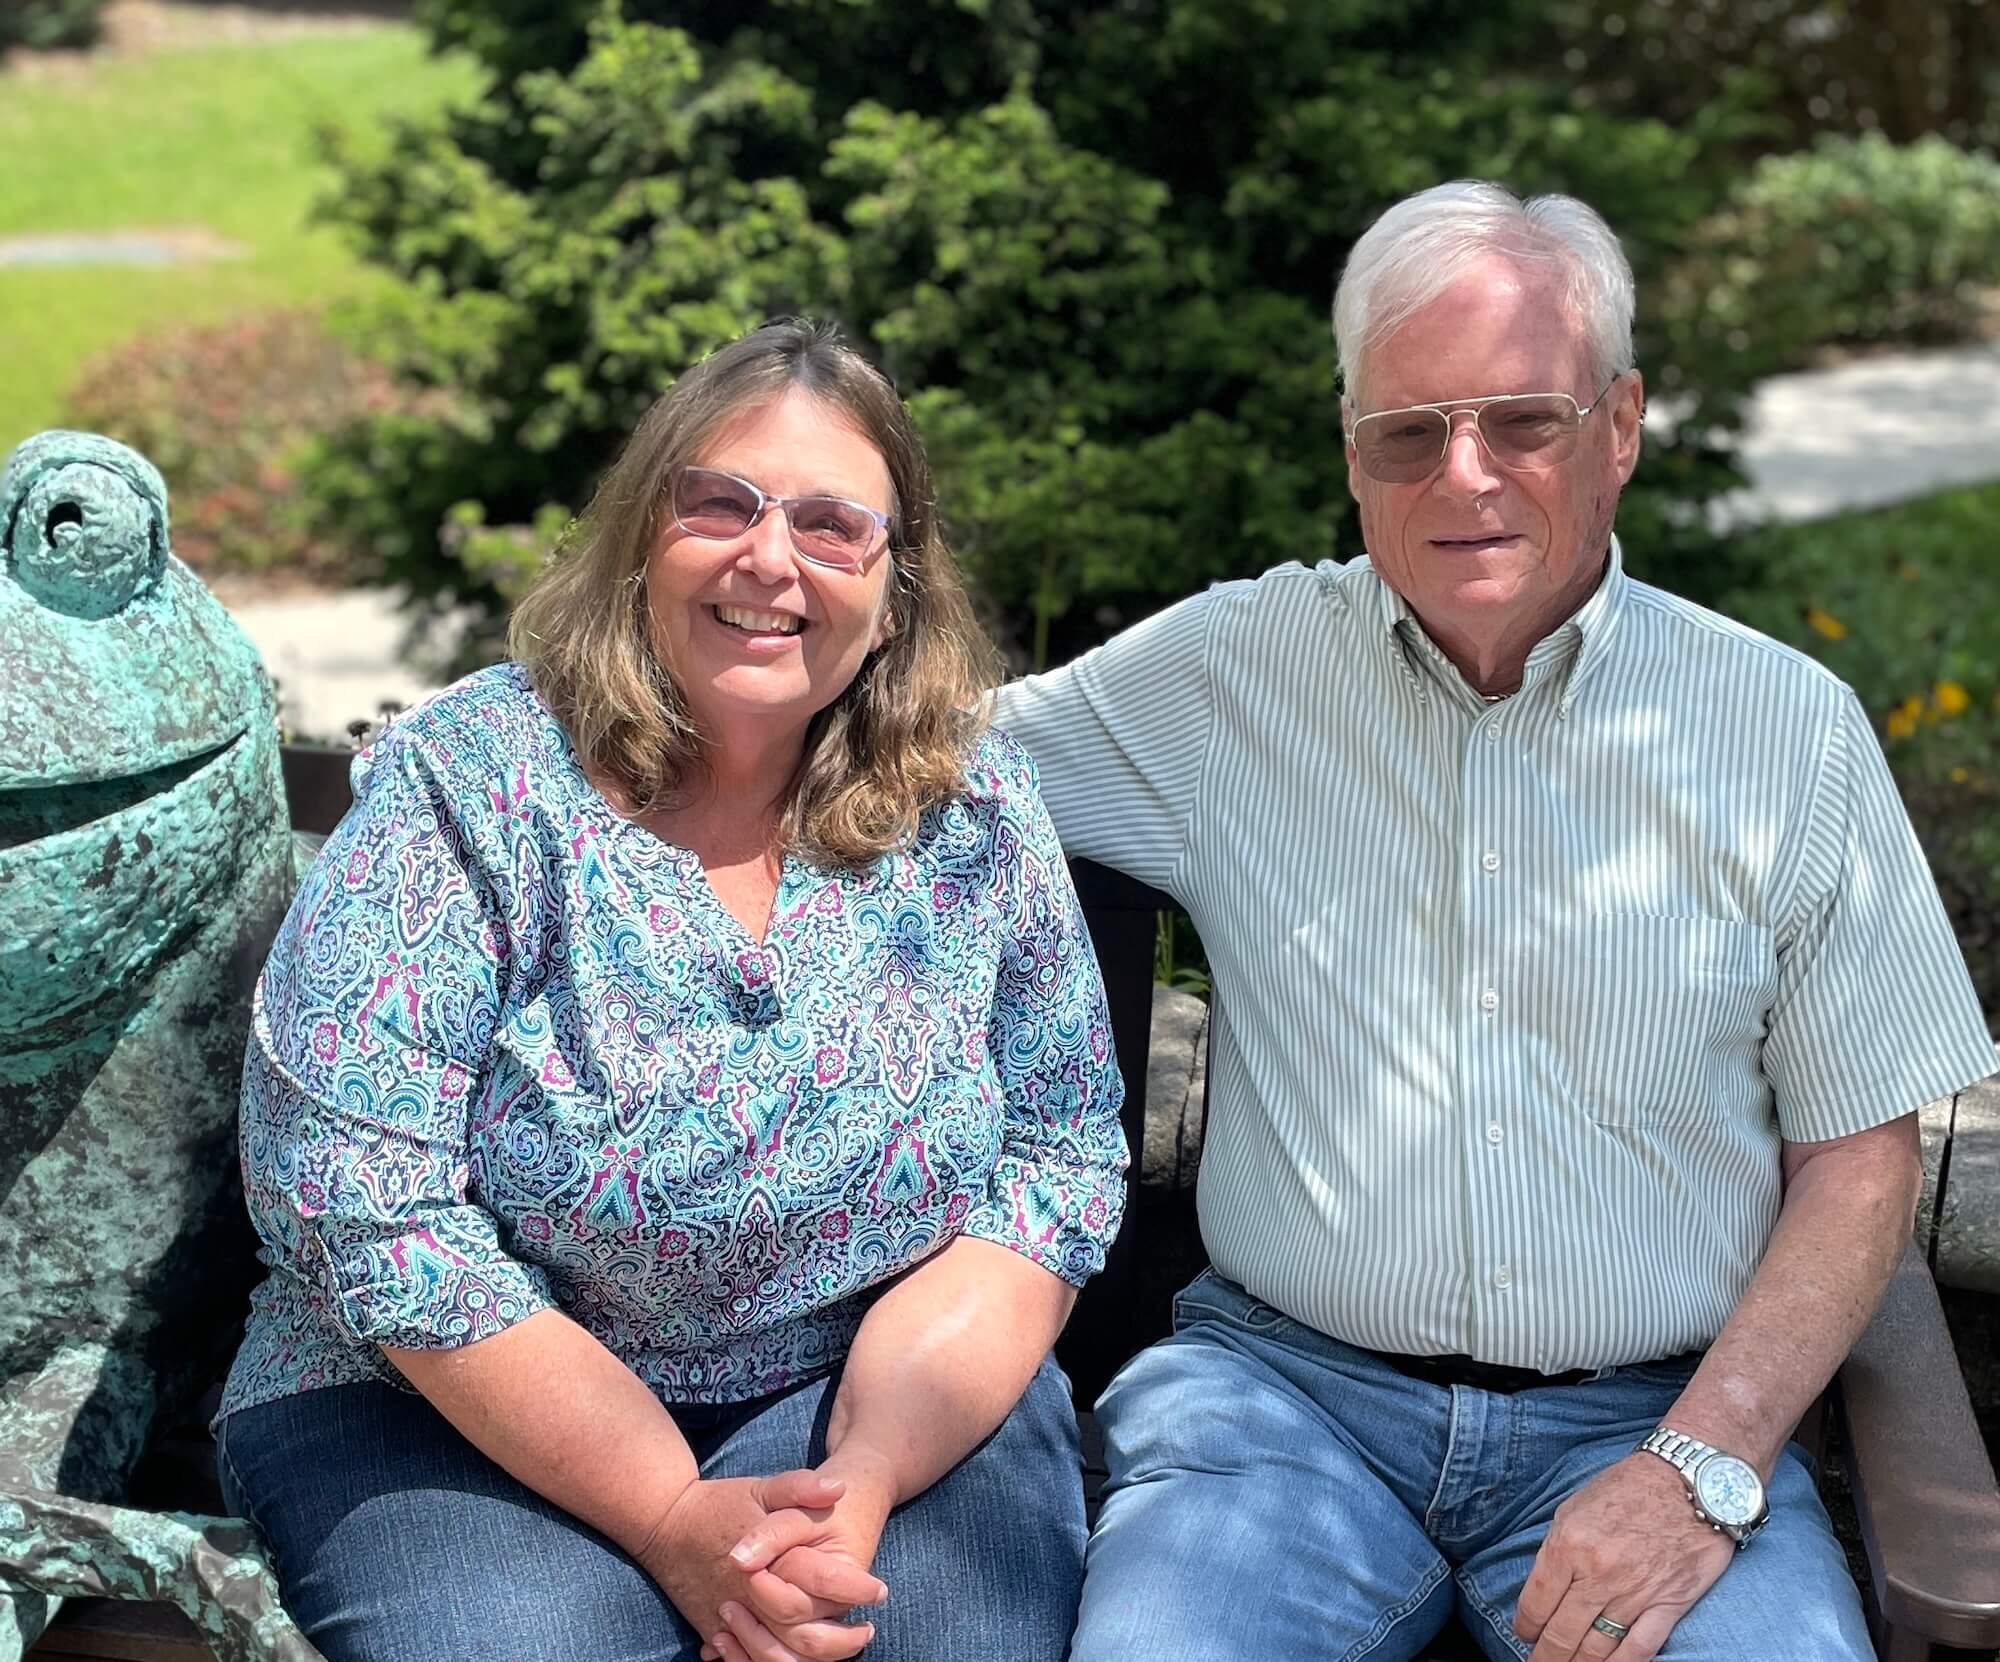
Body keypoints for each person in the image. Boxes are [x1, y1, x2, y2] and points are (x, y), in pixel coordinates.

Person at [992, 181, 1996, 1662]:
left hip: (1659, 1413)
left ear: (1623, 424)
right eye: (1410, 432)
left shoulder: (1784, 730)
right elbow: (897, 751)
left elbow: (1861, 1160)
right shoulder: (1229, 679)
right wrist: (608, 722)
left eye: (1523, 419)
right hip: (1285, 1408)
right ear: (1354, 459)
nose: (1464, 474)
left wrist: (1703, 1461)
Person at [215, 319, 1127, 1662]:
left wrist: (859, 1481)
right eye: (722, 503)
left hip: (863, 1384)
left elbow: (1055, 1156)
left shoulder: (973, 807)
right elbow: (357, 1198)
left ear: (896, 587)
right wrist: (667, 1510)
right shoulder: (471, 783)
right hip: (432, 1397)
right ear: (647, 532)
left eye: (831, 524)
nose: (770, 558)